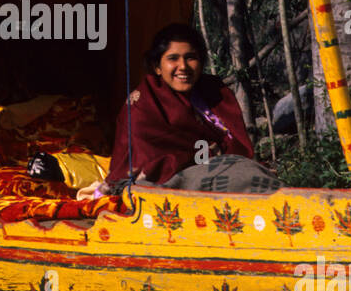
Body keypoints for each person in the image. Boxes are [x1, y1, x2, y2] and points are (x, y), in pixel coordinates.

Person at [103, 23, 280, 195]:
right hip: (170, 178)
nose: (183, 67)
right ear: (157, 67)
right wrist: (207, 153)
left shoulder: (211, 92)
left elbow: (234, 144)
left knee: (253, 176)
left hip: (220, 166)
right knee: (242, 180)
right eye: (173, 58)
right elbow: (148, 162)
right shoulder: (142, 106)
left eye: (190, 57)